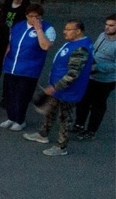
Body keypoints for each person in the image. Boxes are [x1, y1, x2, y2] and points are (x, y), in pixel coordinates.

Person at [23, 20, 93, 156]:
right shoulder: (74, 43)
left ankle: (61, 146)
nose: (64, 32)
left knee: (65, 118)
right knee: (50, 111)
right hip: (58, 89)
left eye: (68, 29)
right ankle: (43, 134)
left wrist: (54, 87)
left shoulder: (81, 48)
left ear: (78, 31)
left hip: (68, 91)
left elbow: (73, 74)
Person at [0, 4, 55, 132]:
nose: (34, 19)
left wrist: (39, 29)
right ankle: (11, 117)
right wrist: (4, 58)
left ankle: (20, 120)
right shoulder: (18, 26)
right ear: (26, 16)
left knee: (22, 95)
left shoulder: (48, 28)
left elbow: (46, 46)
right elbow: (10, 44)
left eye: (37, 16)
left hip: (29, 69)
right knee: (9, 94)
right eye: (31, 16)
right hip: (12, 66)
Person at [73, 13, 116, 139]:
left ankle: (91, 131)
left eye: (111, 25)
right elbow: (94, 51)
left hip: (105, 80)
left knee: (98, 105)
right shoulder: (102, 35)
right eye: (106, 24)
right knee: (83, 101)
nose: (107, 28)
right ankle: (79, 124)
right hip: (90, 76)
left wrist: (97, 66)